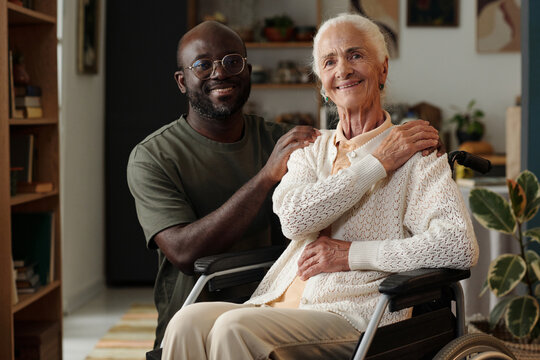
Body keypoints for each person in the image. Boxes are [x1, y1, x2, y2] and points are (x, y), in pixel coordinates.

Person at [161, 13, 478, 360]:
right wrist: (376, 165)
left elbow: (458, 246)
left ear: (383, 69)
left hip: (355, 317)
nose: (342, 69)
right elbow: (294, 221)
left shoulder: (417, 156)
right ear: (322, 82)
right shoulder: (310, 150)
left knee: (232, 328)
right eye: (330, 61)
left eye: (356, 55)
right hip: (277, 303)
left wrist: (352, 255)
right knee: (186, 321)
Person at [127, 21, 321, 348]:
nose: (220, 73)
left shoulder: (279, 140)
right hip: (191, 330)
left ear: (247, 71)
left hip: (273, 318)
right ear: (181, 81)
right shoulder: (153, 156)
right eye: (203, 65)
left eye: (232, 61)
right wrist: (265, 178)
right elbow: (184, 252)